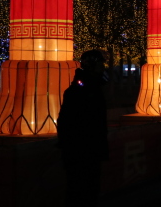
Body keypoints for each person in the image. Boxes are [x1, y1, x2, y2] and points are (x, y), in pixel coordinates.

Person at [57, 50, 109, 207]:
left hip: (87, 149)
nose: (103, 67)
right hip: (82, 150)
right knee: (80, 189)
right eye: (100, 64)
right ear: (92, 66)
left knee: (87, 188)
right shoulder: (82, 90)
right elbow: (68, 122)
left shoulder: (92, 88)